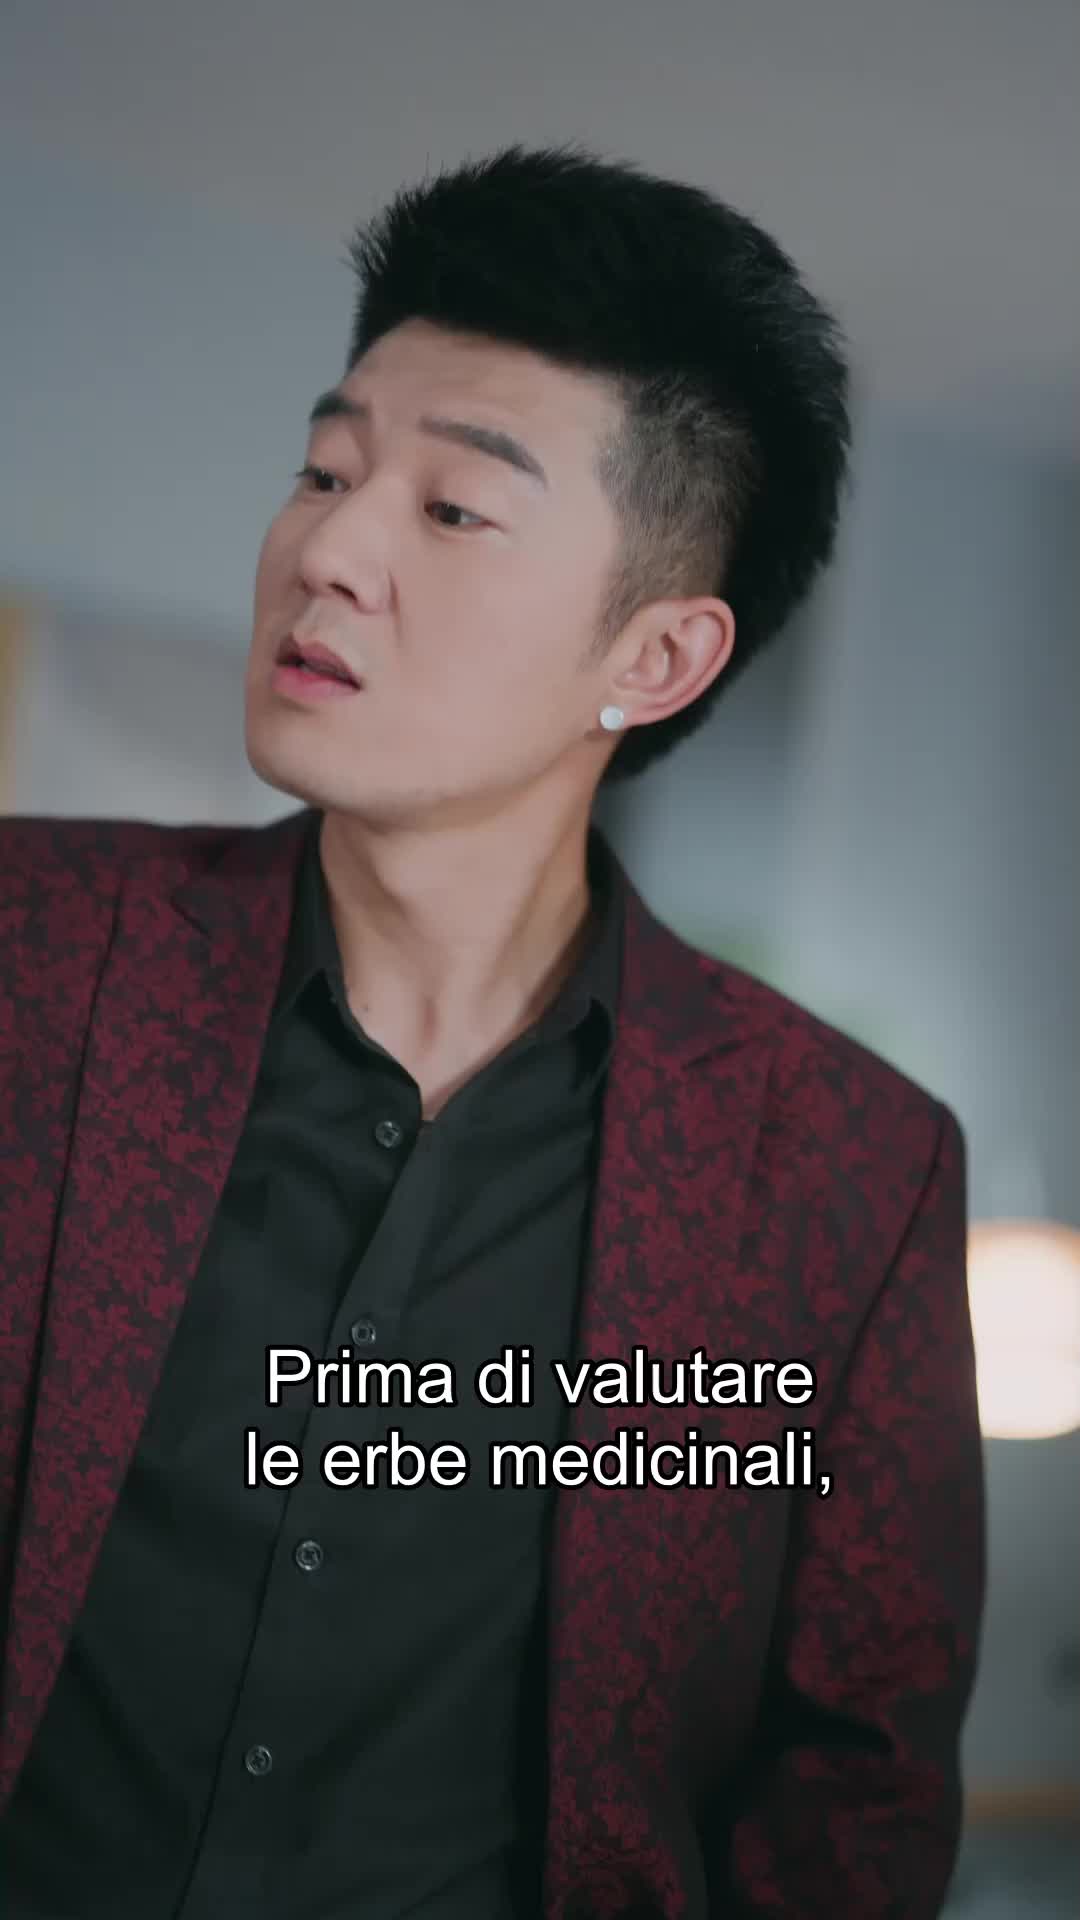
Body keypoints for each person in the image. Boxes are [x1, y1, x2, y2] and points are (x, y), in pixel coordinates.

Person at [0, 140, 985, 1918]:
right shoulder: (32, 950)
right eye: (325, 470)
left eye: (452, 510)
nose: (327, 548)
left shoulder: (848, 1170)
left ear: (656, 659)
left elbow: (855, 1790)